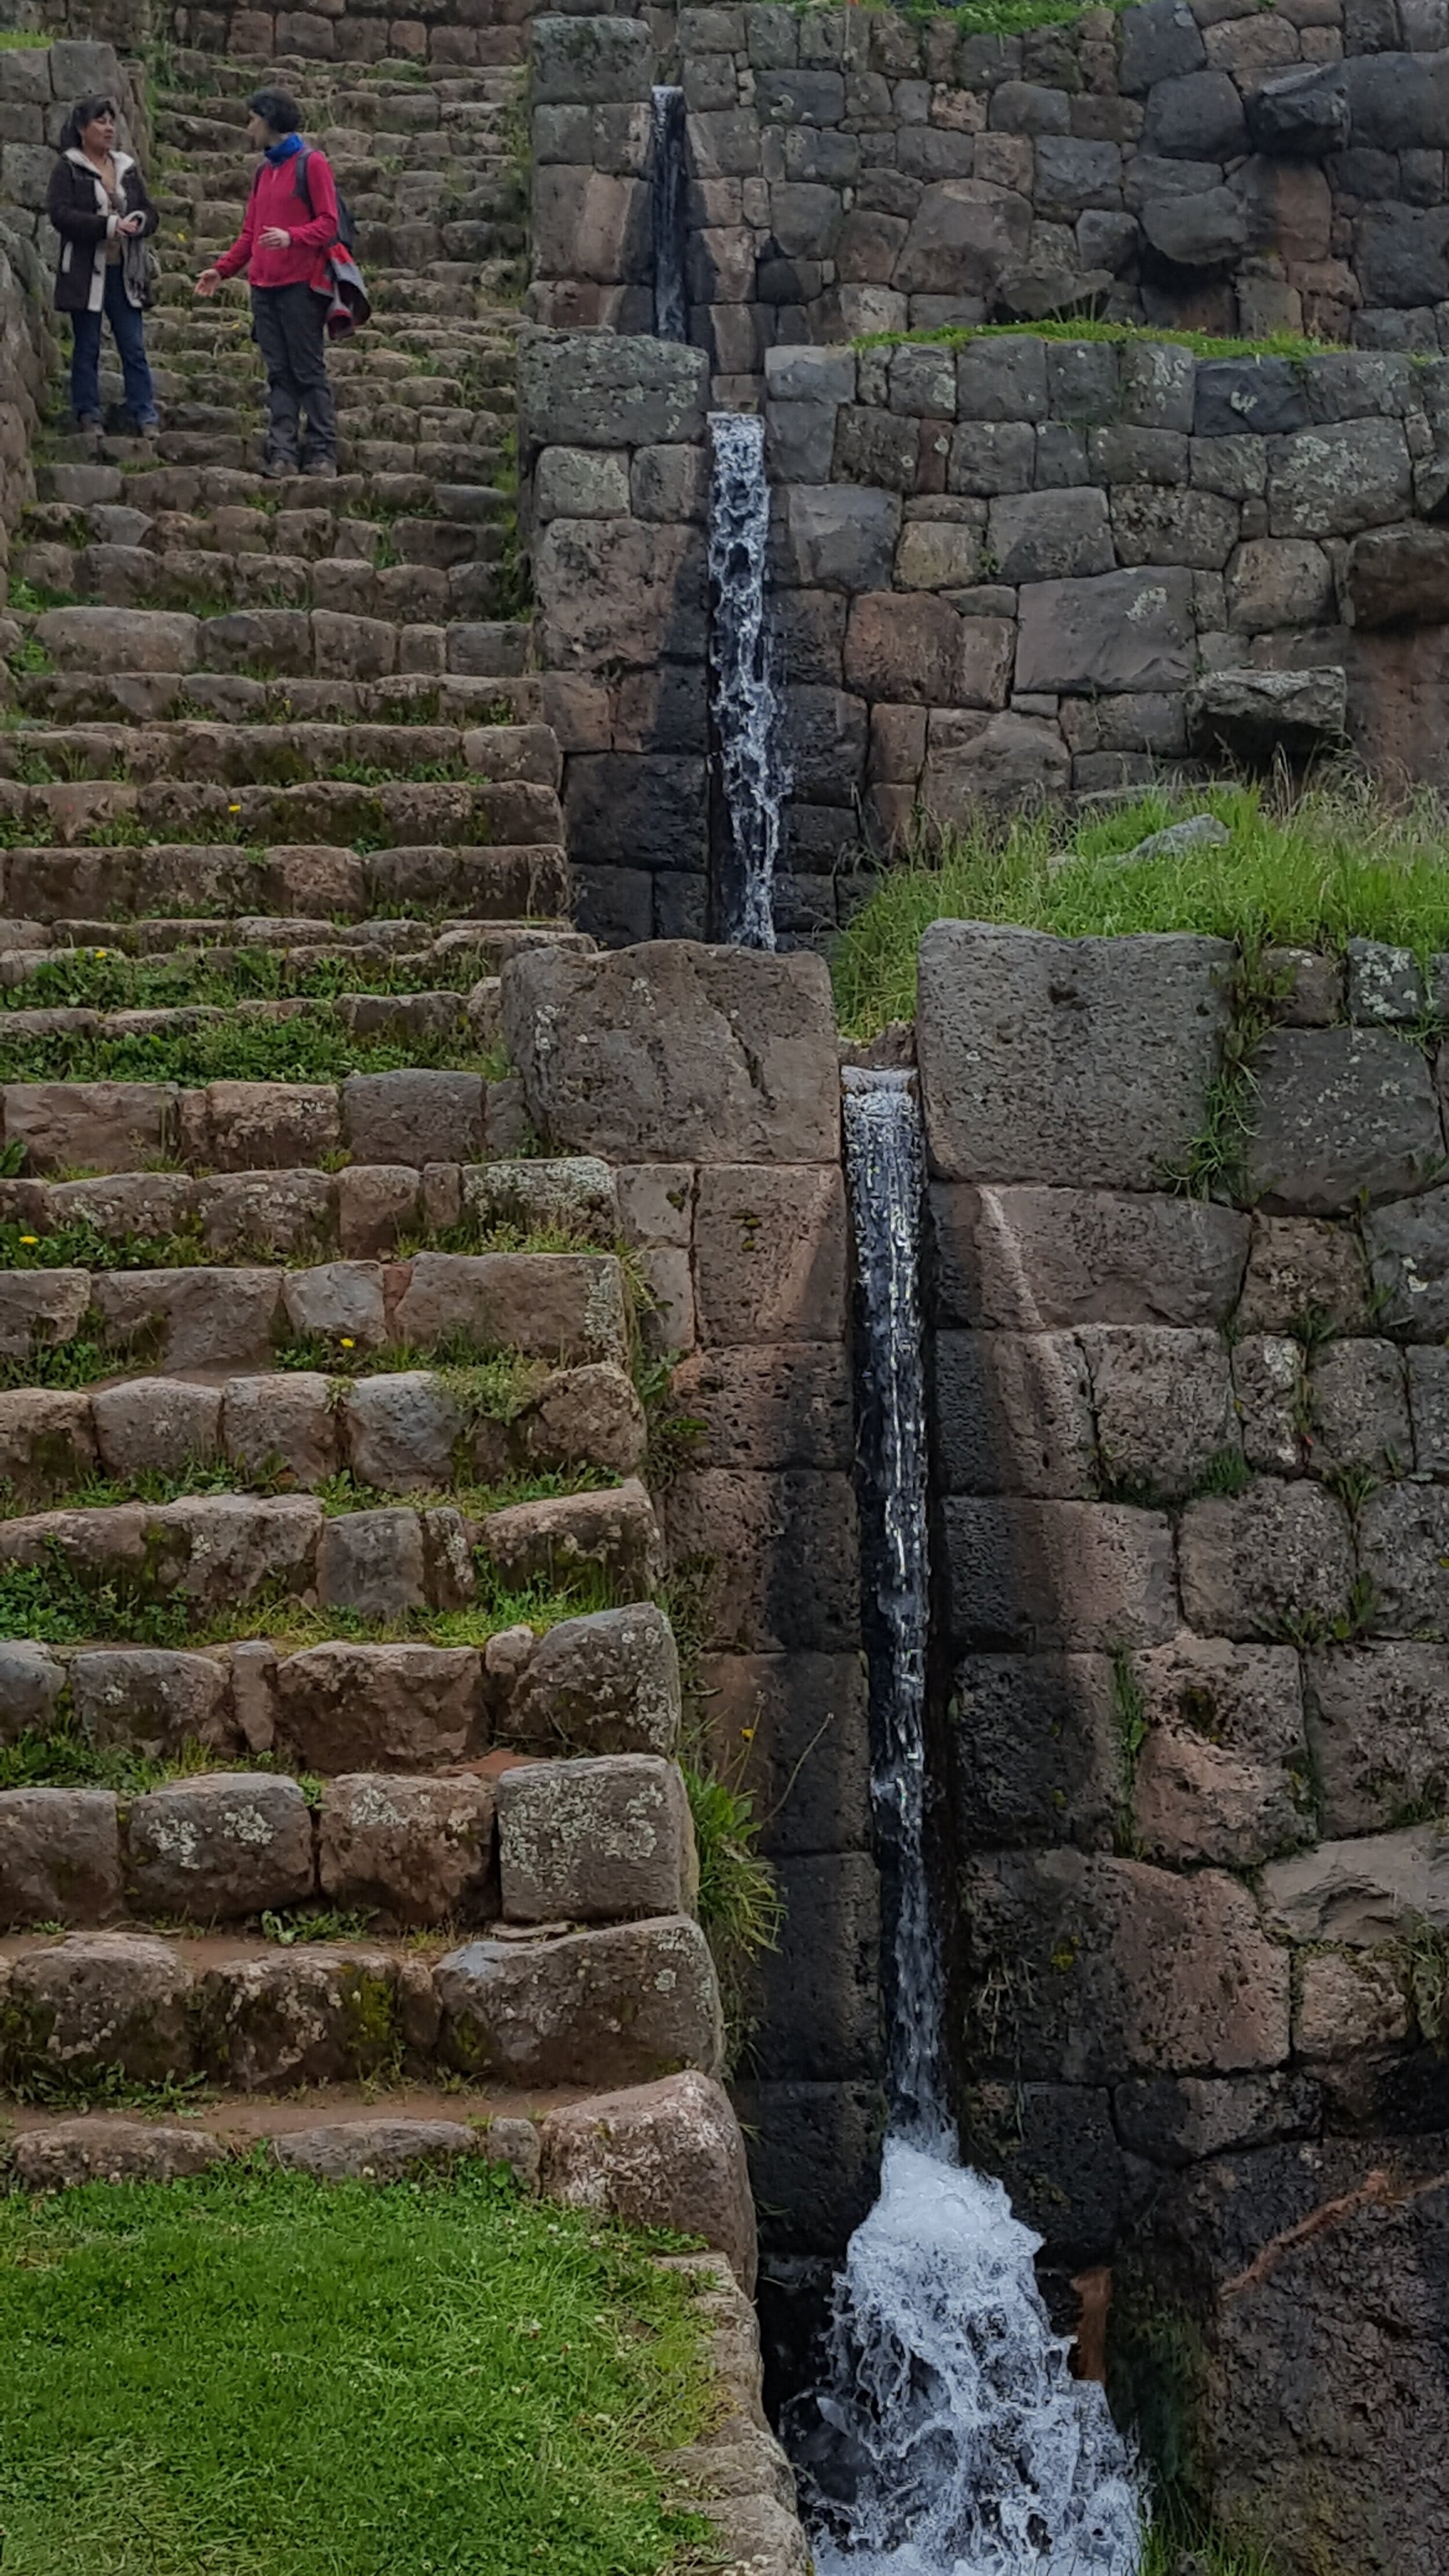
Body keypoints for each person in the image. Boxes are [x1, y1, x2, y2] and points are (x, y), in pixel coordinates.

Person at [194, 88, 341, 479]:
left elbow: (329, 223)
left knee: (308, 370)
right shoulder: (264, 172)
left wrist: (292, 237)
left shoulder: (311, 164)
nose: (249, 127)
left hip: (301, 284)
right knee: (278, 373)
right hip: (264, 285)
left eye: (253, 119)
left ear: (269, 119)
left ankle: (324, 452)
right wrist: (222, 270)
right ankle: (283, 454)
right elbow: (250, 233)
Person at [47, 95, 159, 439]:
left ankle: (145, 413)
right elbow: (61, 215)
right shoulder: (69, 169)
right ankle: (87, 412)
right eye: (100, 121)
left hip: (124, 271)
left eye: (111, 121)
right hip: (85, 271)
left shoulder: (126, 168)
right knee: (88, 346)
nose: (109, 128)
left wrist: (139, 221)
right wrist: (108, 226)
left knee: (133, 346)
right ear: (82, 129)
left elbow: (149, 210)